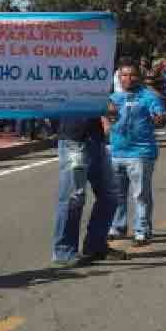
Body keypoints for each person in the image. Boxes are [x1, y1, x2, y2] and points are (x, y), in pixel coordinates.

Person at [52, 112, 126, 267]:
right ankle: (63, 252)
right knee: (74, 197)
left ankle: (95, 245)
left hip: (96, 139)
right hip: (74, 139)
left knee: (110, 193)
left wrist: (107, 111)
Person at [107, 63, 166, 246]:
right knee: (117, 195)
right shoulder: (113, 98)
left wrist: (159, 119)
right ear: (119, 78)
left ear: (138, 77)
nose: (128, 78)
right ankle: (118, 226)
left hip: (140, 153)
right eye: (124, 75)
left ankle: (142, 230)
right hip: (116, 152)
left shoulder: (149, 97)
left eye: (132, 75)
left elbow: (161, 117)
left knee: (140, 194)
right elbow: (106, 120)